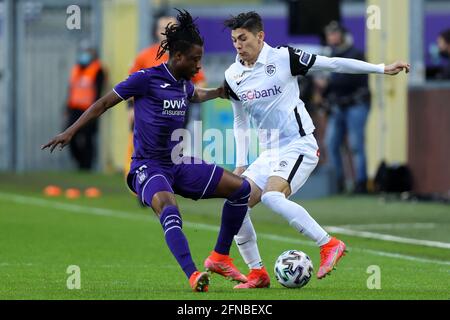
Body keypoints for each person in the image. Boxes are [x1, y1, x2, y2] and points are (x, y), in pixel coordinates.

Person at [42, 10, 250, 292]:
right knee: (168, 208)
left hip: (177, 163)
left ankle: (221, 257)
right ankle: (192, 274)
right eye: (195, 60)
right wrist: (70, 131)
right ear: (177, 57)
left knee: (241, 190)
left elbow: (195, 94)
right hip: (148, 166)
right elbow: (103, 103)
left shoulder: (182, 83)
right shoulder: (145, 79)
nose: (198, 65)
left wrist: (218, 92)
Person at [215, 12, 409, 289]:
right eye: (234, 40)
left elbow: (332, 64)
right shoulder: (233, 75)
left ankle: (328, 244)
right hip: (269, 152)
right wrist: (241, 162)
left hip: (299, 144)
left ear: (260, 36)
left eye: (243, 38)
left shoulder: (284, 58)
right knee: (236, 205)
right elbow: (239, 121)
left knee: (271, 196)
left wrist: (381, 68)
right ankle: (257, 273)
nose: (238, 45)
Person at [124, 14, 206, 175]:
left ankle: (170, 182)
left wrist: (185, 95)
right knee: (148, 150)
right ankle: (145, 182)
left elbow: (201, 81)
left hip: (176, 111)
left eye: (172, 28)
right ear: (156, 32)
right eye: (163, 28)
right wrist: (130, 108)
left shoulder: (187, 55)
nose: (167, 32)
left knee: (174, 149)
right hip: (150, 113)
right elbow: (130, 85)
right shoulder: (144, 56)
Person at [322, 21, 372, 194]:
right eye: (329, 34)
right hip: (338, 106)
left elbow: (361, 81)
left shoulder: (355, 53)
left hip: (356, 104)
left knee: (356, 145)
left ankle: (361, 184)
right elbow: (330, 84)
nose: (332, 37)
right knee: (331, 143)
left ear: (342, 35)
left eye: (334, 33)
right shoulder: (330, 55)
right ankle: (338, 183)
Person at [66, 46, 105, 170]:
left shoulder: (98, 70)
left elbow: (98, 91)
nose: (86, 56)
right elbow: (71, 90)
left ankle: (86, 166)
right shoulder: (77, 69)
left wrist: (96, 110)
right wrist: (66, 108)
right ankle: (79, 161)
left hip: (89, 110)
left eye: (89, 53)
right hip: (74, 108)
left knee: (88, 138)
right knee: (69, 135)